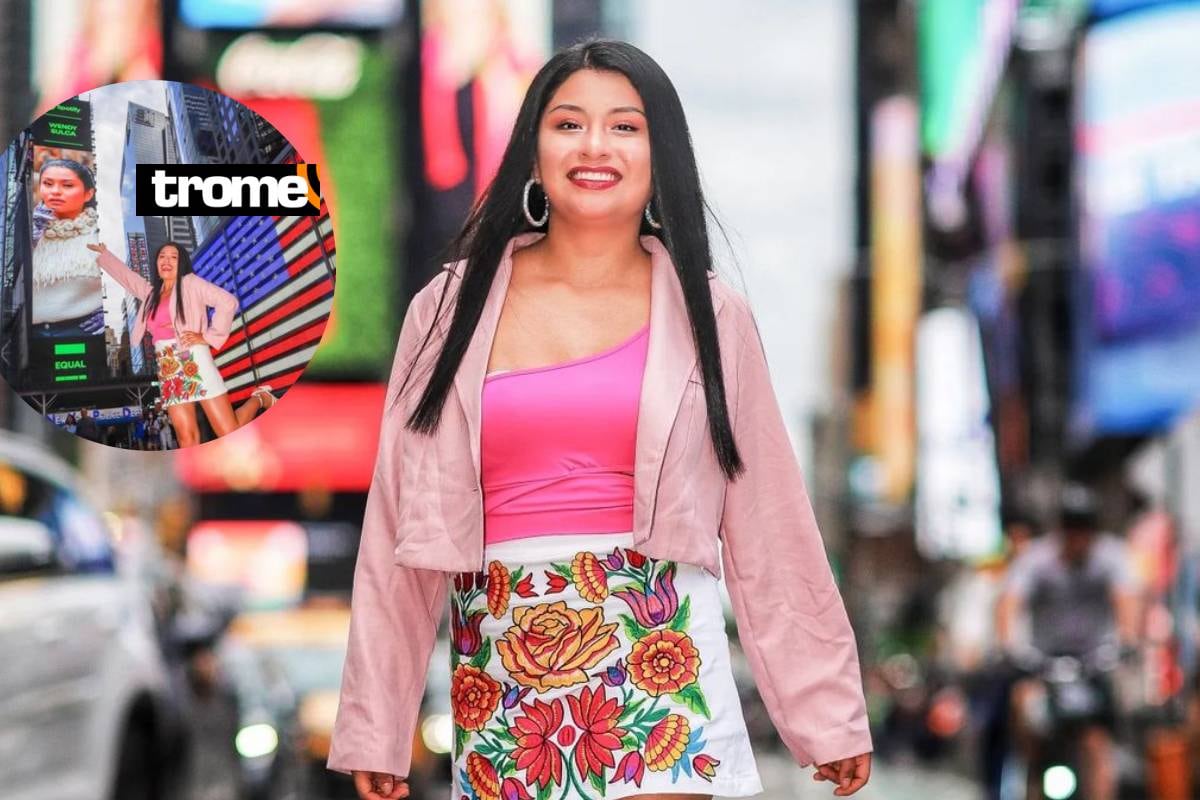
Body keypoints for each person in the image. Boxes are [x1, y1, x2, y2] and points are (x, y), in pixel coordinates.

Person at [327, 38, 873, 800]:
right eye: (567, 123)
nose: (595, 146)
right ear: (533, 149)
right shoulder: (446, 312)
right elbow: (396, 530)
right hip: (503, 680)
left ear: (661, 155)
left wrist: (828, 713)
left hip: (660, 658)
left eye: (625, 126)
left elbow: (769, 524)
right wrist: (376, 724)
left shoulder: (710, 315)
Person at [996, 486, 1141, 800]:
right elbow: (1010, 601)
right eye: (1072, 528)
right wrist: (1009, 645)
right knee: (1024, 705)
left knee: (1097, 742)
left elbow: (1127, 600)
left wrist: (1127, 641)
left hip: (1094, 663)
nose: (1078, 538)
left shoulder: (1110, 556)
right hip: (1044, 663)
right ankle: (1029, 782)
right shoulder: (1037, 558)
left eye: (1084, 528)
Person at [87, 241, 277, 447]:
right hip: (168, 366)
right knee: (186, 438)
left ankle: (260, 398)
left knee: (228, 431)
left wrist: (210, 336)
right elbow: (129, 279)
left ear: (181, 263)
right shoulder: (151, 295)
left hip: (194, 358)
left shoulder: (190, 283)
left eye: (173, 257)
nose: (166, 261)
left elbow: (227, 301)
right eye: (162, 256)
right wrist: (105, 255)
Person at [30, 158, 105, 337]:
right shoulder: (22, 225)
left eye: (67, 185)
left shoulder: (102, 232)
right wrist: (27, 237)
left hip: (83, 332)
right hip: (25, 336)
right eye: (47, 184)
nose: (55, 192)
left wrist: (107, 312)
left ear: (88, 194)